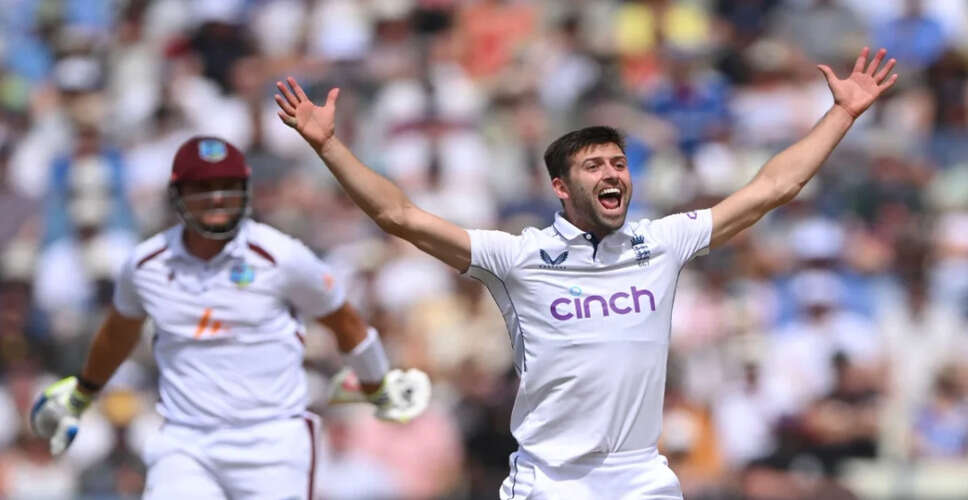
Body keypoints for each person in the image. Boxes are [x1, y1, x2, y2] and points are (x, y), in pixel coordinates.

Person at [274, 47, 897, 499]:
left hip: (640, 474)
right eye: (594, 166)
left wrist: (842, 115)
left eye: (619, 163)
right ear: (560, 187)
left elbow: (772, 188)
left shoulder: (662, 242)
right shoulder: (517, 257)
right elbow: (398, 215)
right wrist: (328, 145)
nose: (612, 174)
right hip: (550, 479)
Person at [30, 136, 431, 499]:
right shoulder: (146, 265)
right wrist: (81, 394)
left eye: (228, 186)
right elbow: (118, 334)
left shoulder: (281, 256)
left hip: (272, 441)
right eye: (203, 188)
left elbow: (345, 324)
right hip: (186, 442)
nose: (217, 198)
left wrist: (378, 385)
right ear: (177, 195)